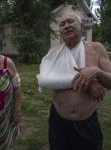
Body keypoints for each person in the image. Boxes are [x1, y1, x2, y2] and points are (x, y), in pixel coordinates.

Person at [38, 12, 111, 150]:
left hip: (86, 122)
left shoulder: (96, 48)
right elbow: (44, 80)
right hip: (58, 121)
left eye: (71, 22)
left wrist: (97, 72)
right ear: (60, 31)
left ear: (82, 26)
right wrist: (88, 83)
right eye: (62, 24)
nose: (66, 26)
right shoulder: (54, 53)